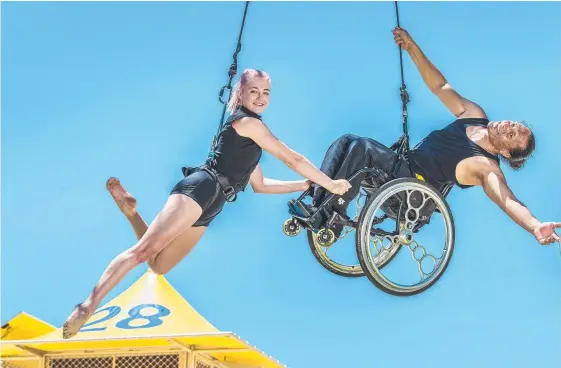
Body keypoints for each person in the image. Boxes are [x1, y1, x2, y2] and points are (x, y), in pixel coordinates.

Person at [62, 68, 352, 339]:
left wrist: (304, 185)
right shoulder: (247, 123)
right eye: (254, 91)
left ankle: (131, 212)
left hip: (215, 203)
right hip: (201, 187)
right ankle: (87, 306)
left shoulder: (251, 139)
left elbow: (260, 186)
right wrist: (331, 183)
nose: (261, 98)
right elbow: (293, 159)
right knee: (142, 252)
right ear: (242, 93)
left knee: (159, 265)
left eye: (266, 93)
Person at [310, 26, 560, 246]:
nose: (508, 126)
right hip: (401, 169)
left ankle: (331, 219)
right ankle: (316, 204)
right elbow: (440, 87)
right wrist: (411, 47)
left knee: (361, 148)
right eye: (514, 125)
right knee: (346, 142)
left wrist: (534, 226)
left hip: (413, 196)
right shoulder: (475, 115)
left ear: (506, 153)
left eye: (512, 135)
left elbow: (508, 200)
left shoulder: (487, 167)